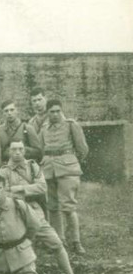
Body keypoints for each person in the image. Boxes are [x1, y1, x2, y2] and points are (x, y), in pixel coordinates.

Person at [0, 140, 80, 274]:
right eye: (14, 149)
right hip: (14, 212)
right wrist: (25, 190)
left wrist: (18, 189)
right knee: (17, 248)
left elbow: (42, 187)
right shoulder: (4, 171)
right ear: (9, 151)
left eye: (20, 149)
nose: (17, 152)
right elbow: (2, 192)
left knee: (56, 243)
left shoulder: (33, 166)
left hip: (34, 209)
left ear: (24, 151)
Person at [39, 99, 89, 255]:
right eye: (51, 112)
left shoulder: (70, 125)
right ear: (47, 113)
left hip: (68, 170)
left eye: (57, 111)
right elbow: (42, 149)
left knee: (68, 207)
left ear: (61, 111)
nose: (54, 114)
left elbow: (82, 148)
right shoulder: (44, 128)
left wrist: (71, 162)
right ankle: (59, 241)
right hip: (48, 170)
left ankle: (76, 242)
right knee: (53, 207)